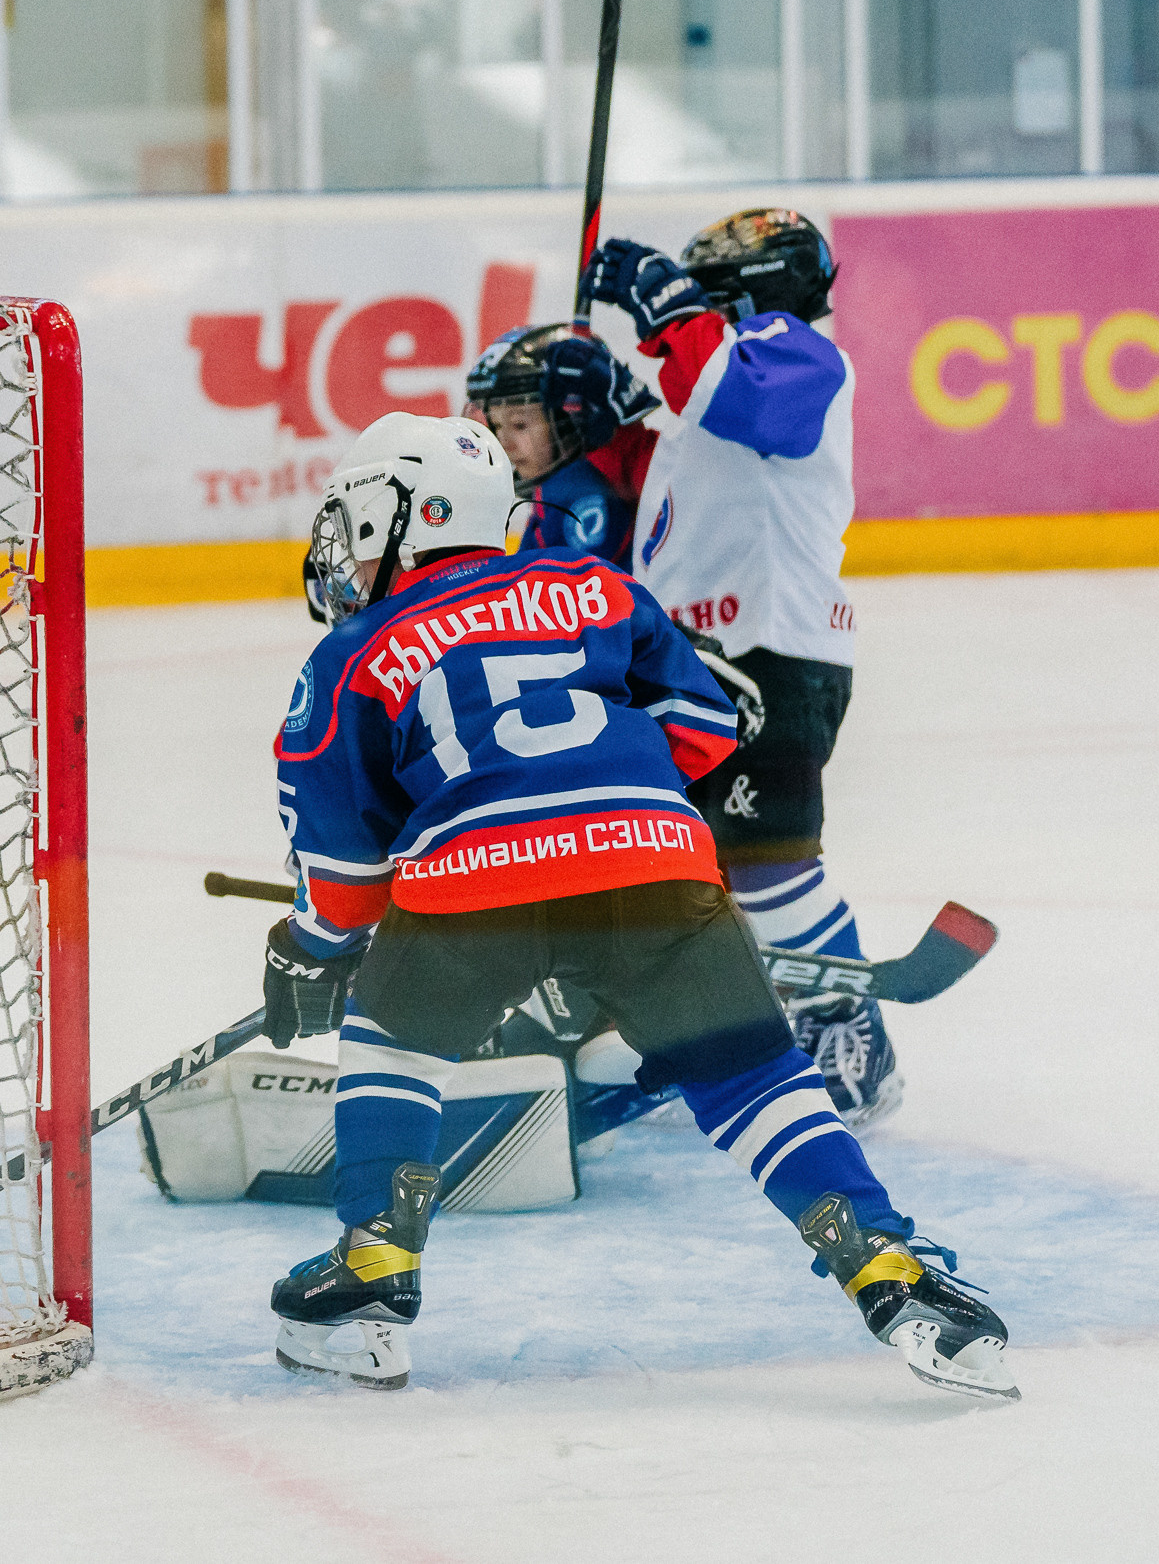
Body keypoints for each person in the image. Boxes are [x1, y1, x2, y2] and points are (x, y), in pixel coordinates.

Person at [259, 408, 1014, 1401]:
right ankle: (883, 1264)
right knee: (750, 1081)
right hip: (655, 867)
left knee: (392, 1040)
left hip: (470, 895)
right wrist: (609, 816)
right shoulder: (595, 588)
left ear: (405, 514)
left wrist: (308, 949)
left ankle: (372, 1279)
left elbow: (345, 876)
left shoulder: (356, 652)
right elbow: (701, 728)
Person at [581, 209, 900, 1126]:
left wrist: (667, 307)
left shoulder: (792, 353)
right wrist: (591, 402)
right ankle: (693, 1025)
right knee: (673, 859)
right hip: (698, 663)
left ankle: (847, 1032)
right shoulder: (709, 381)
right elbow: (658, 471)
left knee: (767, 863)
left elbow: (741, 398)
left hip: (770, 652)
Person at [462, 323, 659, 566]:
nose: (505, 444)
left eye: (519, 425)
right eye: (498, 426)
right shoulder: (559, 488)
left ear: (571, 418)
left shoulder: (571, 491)